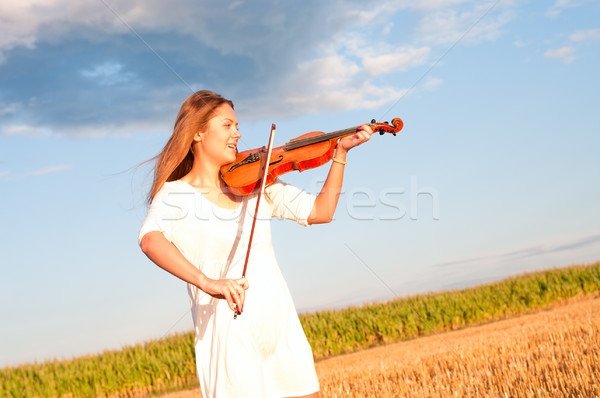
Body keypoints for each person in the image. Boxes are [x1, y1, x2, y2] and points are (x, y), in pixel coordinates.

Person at [138, 90, 373, 398]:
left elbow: (321, 212)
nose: (238, 133)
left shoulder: (258, 183)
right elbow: (150, 240)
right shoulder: (174, 195)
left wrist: (340, 153)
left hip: (279, 328)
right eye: (227, 126)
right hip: (230, 339)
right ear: (197, 132)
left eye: (237, 126)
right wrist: (207, 282)